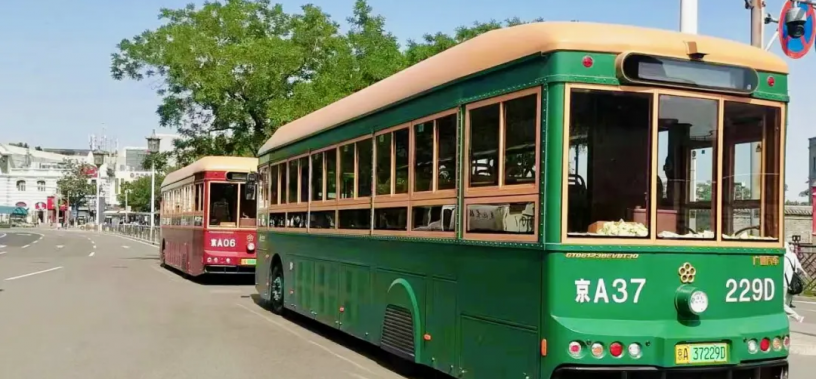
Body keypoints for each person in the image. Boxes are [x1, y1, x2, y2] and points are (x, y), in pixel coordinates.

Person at [784, 241, 808, 323]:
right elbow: (798, 265)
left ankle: (796, 316)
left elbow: (782, 272)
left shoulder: (784, 257)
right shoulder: (793, 255)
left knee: (782, 303)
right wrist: (804, 272)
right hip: (793, 281)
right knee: (787, 302)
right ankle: (787, 319)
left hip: (785, 282)